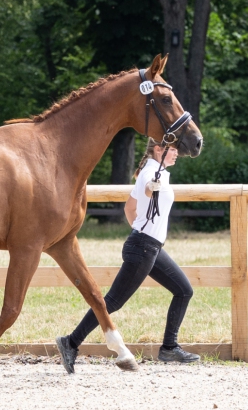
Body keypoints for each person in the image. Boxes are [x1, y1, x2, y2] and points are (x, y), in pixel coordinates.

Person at [56, 138, 200, 373]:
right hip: (143, 248)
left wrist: (140, 229)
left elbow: (128, 208)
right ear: (158, 150)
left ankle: (169, 347)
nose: (177, 154)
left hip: (149, 246)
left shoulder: (157, 170)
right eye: (173, 150)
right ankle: (70, 342)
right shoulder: (152, 172)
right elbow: (146, 187)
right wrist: (143, 225)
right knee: (112, 301)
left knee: (184, 290)